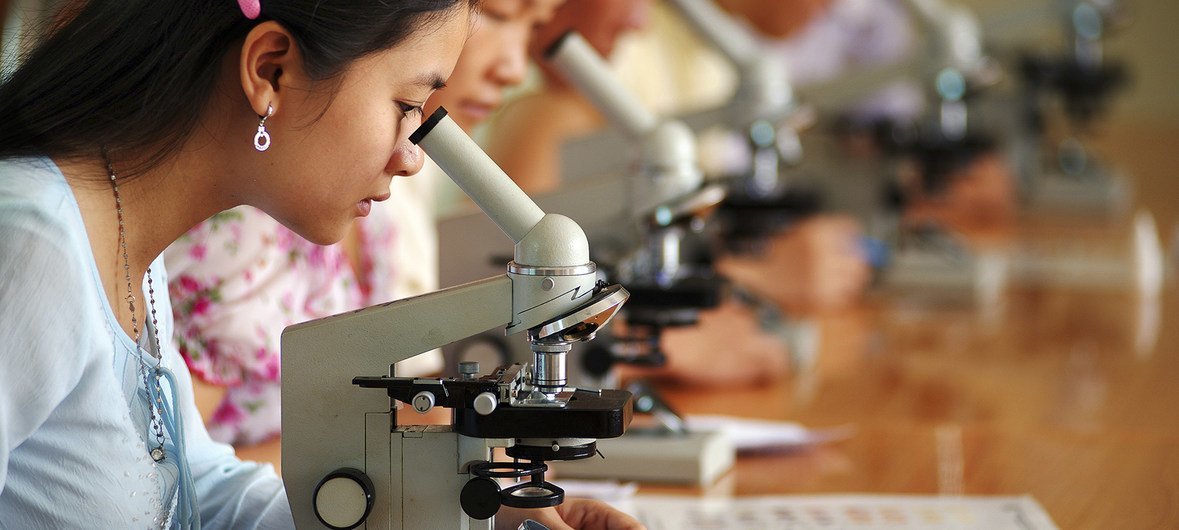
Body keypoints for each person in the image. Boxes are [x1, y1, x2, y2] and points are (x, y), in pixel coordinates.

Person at [0, 1, 642, 528]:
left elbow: (197, 493)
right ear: (271, 70)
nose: (412, 156)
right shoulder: (32, 242)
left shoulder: (126, 239)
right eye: (406, 105)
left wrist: (466, 517)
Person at [165, 0, 564, 450]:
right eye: (498, 14)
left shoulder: (376, 197)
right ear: (272, 71)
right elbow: (177, 484)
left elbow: (417, 408)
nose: (516, 68)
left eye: (536, 26)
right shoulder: (238, 229)